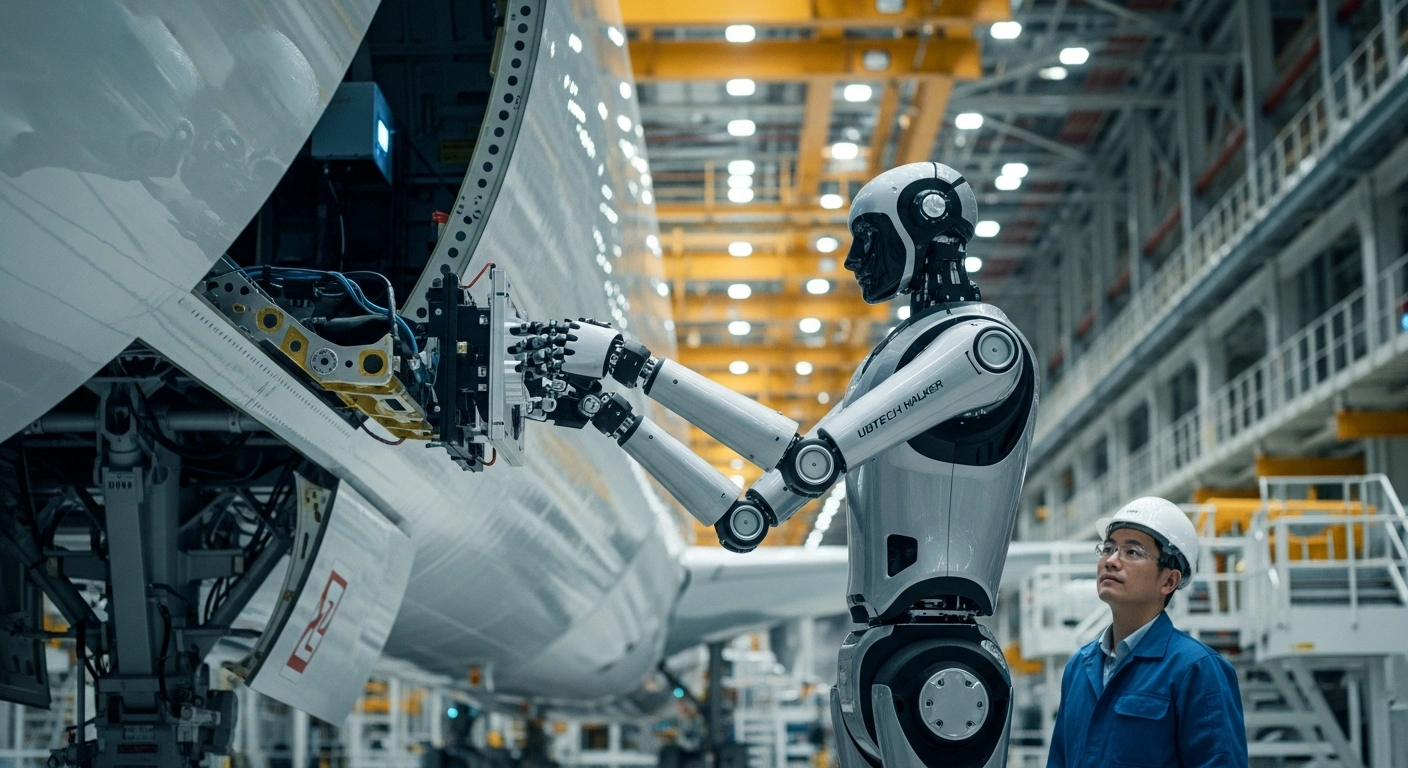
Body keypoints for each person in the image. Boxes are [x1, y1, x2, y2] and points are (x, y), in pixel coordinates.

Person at [1046, 497, 1248, 767]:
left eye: (1132, 552)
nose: (1111, 561)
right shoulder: (1079, 667)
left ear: (1169, 580)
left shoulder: (1197, 670)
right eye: (1108, 548)